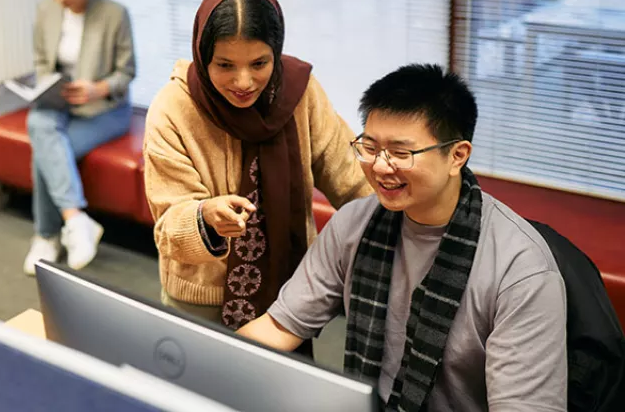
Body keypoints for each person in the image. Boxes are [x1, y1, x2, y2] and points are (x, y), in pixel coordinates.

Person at [238, 64, 567, 411]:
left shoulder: (521, 270)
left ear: (457, 156)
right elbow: (279, 328)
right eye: (370, 146)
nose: (380, 167)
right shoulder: (353, 224)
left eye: (400, 153)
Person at [144, 0, 370, 331]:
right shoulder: (173, 108)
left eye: (259, 63)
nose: (244, 81)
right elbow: (168, 227)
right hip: (201, 300)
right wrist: (205, 217)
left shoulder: (298, 91)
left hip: (288, 291)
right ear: (203, 57)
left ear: (276, 52)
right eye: (225, 65)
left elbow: (350, 175)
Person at [23, 0, 136, 275]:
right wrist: (51, 86)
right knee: (40, 124)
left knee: (46, 148)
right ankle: (76, 221)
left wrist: (97, 88)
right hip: (60, 103)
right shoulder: (46, 10)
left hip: (105, 109)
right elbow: (42, 61)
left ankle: (46, 235)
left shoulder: (115, 14)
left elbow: (127, 72)